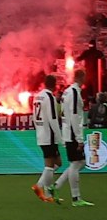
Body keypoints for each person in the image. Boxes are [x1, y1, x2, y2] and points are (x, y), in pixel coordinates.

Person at [59, 75, 93, 206]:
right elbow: (74, 115)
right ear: (82, 78)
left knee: (81, 162)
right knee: (76, 163)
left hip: (69, 131)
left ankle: (56, 186)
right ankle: (75, 198)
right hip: (72, 133)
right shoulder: (73, 92)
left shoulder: (68, 91)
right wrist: (79, 138)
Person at [32, 74, 63, 203]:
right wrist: (60, 137)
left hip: (41, 133)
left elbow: (34, 116)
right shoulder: (49, 97)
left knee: (57, 163)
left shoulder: (37, 96)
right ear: (54, 85)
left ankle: (47, 193)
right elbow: (53, 119)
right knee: (50, 165)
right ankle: (39, 187)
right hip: (49, 135)